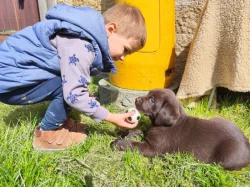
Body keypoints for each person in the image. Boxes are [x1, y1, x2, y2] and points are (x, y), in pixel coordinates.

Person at [0, 3, 146, 151]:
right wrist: (112, 117)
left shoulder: (81, 36)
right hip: (10, 83)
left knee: (74, 87)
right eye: (126, 50)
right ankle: (48, 134)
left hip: (12, 77)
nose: (123, 58)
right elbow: (74, 95)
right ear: (110, 30)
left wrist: (82, 97)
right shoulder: (81, 45)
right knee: (71, 91)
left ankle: (58, 121)